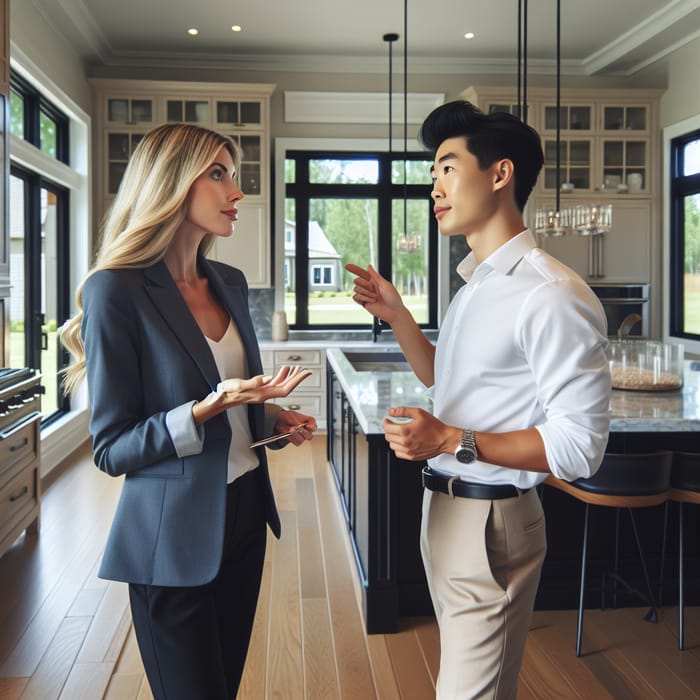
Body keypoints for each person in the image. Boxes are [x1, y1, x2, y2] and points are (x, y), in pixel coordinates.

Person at [346, 100, 611, 699]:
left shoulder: (551, 294)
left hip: (492, 519)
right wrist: (398, 315)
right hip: (446, 512)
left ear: (500, 174)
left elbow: (579, 448)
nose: (434, 186)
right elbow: (451, 385)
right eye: (432, 172)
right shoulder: (478, 284)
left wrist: (448, 439)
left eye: (446, 167)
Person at [60, 122, 317, 700]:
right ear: (172, 183)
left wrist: (271, 419)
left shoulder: (228, 280)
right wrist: (205, 409)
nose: (237, 192)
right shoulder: (115, 290)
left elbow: (230, 394)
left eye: (236, 176)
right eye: (219, 174)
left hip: (246, 513)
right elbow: (112, 448)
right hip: (168, 537)